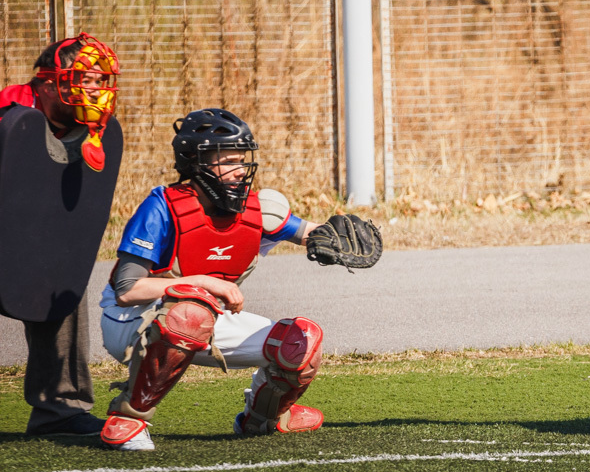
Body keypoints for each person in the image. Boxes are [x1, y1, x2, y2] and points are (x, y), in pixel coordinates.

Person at [98, 107, 382, 451]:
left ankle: (262, 418)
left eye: (242, 160)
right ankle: (128, 418)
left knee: (300, 341)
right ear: (196, 162)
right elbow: (128, 290)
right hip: (134, 320)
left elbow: (309, 232)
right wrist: (209, 283)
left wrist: (334, 237)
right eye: (228, 160)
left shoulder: (258, 209)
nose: (239, 171)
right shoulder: (163, 207)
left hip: (203, 316)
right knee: (191, 312)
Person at [0, 33, 121, 437]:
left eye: (99, 81)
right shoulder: (9, 116)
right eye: (83, 80)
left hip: (34, 232)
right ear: (50, 82)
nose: (94, 90)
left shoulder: (92, 131)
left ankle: (62, 409)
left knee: (65, 275)